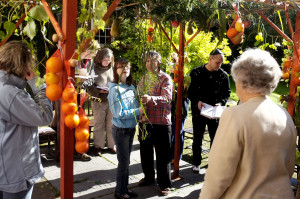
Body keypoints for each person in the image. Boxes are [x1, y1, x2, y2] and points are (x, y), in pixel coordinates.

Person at [199, 48, 297, 199]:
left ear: (241, 81)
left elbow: (218, 175)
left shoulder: (234, 115)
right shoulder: (284, 115)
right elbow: (289, 167)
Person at [0, 41, 53, 198]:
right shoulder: (10, 93)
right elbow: (45, 116)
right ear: (23, 65)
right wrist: (38, 85)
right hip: (15, 173)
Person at [188, 48, 230, 173]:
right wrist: (197, 101)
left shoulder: (223, 75)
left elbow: (227, 93)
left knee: (215, 138)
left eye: (221, 63)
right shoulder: (196, 72)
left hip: (215, 112)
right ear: (210, 59)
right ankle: (196, 163)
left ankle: (213, 163)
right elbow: (190, 92)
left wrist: (221, 103)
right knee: (198, 137)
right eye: (217, 62)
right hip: (199, 111)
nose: (219, 65)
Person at [137, 51, 173, 196]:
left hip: (161, 122)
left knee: (162, 155)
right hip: (145, 121)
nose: (149, 64)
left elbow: (167, 98)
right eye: (147, 61)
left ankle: (164, 184)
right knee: (145, 152)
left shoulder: (165, 78)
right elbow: (138, 94)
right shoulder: (144, 78)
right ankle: (149, 177)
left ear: (158, 62)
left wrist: (151, 98)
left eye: (152, 61)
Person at [108, 59, 142, 199]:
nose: (124, 69)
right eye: (120, 67)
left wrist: (139, 116)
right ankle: (119, 192)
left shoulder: (131, 87)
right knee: (123, 162)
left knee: (126, 162)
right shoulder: (114, 90)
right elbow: (119, 114)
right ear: (116, 71)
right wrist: (138, 111)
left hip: (130, 129)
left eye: (127, 66)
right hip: (121, 130)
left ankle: (125, 189)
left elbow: (134, 107)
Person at [85, 48, 115, 155]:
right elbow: (88, 84)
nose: (107, 62)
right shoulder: (93, 67)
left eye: (109, 60)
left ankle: (111, 145)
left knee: (111, 123)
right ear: (100, 58)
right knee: (99, 123)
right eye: (105, 60)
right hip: (98, 100)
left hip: (111, 99)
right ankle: (98, 146)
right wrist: (99, 91)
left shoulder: (112, 68)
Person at [168, 53, 190, 161]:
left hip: (180, 108)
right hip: (169, 109)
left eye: (174, 62)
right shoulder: (168, 76)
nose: (172, 64)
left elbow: (187, 94)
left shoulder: (185, 77)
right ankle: (170, 155)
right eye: (171, 62)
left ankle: (176, 156)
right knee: (170, 132)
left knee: (178, 131)